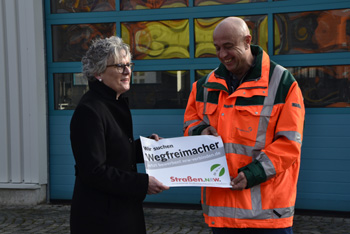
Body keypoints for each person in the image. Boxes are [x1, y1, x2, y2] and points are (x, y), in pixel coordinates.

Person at [183, 17, 305, 234]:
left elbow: (289, 145)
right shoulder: (203, 87)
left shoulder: (282, 83)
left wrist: (254, 172)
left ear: (248, 40)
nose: (222, 55)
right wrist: (200, 130)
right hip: (221, 215)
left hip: (267, 216)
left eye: (229, 47)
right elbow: (190, 123)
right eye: (217, 48)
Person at [70, 36, 169, 234]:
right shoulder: (89, 111)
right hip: (101, 219)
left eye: (128, 64)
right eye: (119, 66)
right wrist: (143, 183)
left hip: (121, 212)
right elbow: (94, 171)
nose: (127, 71)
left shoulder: (113, 102)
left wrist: (147, 148)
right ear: (98, 73)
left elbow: (114, 150)